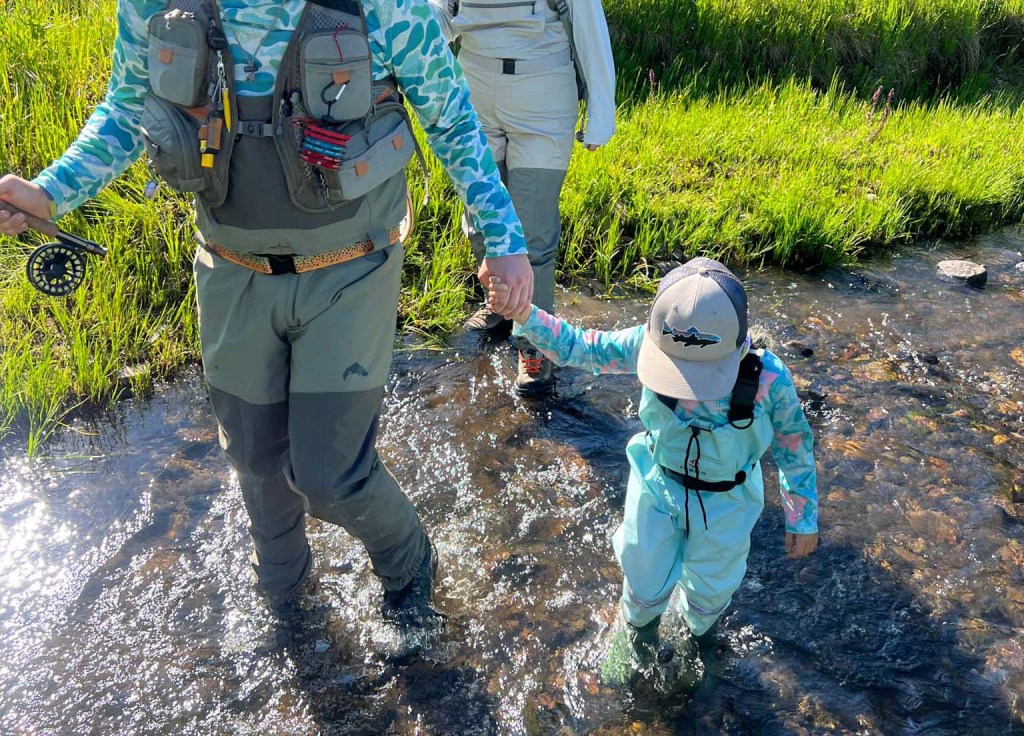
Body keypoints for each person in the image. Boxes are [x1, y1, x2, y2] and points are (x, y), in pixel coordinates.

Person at [0, 0, 535, 631]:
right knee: (253, 460)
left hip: (352, 270)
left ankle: (412, 578)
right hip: (230, 269)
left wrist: (504, 242)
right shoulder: (151, 5)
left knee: (332, 477)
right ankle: (286, 605)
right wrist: (49, 192)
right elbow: (127, 107)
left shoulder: (387, 7)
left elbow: (451, 120)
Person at [488, 257, 819, 687]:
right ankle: (638, 634)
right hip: (656, 484)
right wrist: (524, 314)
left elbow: (795, 443)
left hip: (728, 501)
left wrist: (802, 514)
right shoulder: (646, 343)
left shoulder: (768, 379)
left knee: (713, 586)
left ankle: (703, 637)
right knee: (642, 575)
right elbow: (581, 347)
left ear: (740, 349)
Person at [429, 0, 616, 396]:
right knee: (480, 221)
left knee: (531, 234)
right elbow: (439, 13)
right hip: (474, 87)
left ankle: (536, 342)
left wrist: (601, 113)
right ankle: (499, 306)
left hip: (544, 98)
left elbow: (588, 25)